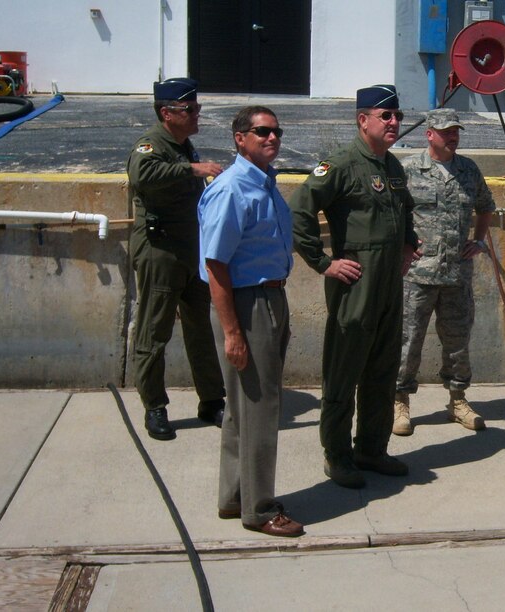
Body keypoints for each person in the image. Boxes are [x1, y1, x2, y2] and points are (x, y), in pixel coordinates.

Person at [290, 85, 422, 490]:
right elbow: (299, 210)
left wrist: (407, 244)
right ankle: (338, 454)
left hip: (389, 285)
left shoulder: (392, 167)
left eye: (397, 115)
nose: (394, 123)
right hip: (357, 282)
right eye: (385, 117)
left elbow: (406, 212)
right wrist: (323, 262)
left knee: (383, 370)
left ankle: (371, 448)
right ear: (362, 120)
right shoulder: (342, 165)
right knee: (344, 370)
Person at [199, 106, 303, 537]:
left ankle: (234, 496)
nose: (272, 137)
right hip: (247, 303)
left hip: (269, 297)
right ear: (239, 138)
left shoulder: (265, 184)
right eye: (261, 131)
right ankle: (259, 509)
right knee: (260, 409)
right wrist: (232, 332)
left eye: (276, 130)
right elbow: (216, 265)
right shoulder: (233, 189)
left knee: (243, 410)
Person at [127, 77, 226, 441]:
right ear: (167, 113)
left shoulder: (185, 146)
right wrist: (193, 170)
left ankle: (212, 400)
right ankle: (155, 406)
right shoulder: (152, 146)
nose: (197, 115)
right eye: (190, 110)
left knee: (201, 329)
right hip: (161, 251)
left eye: (197, 108)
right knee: (155, 332)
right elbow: (142, 175)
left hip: (192, 251)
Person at [393, 108, 495, 435]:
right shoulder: (408, 170)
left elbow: (486, 207)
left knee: (457, 343)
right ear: (429, 134)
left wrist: (478, 241)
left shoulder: (468, 170)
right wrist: (403, 247)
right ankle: (399, 402)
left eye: (455, 131)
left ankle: (457, 400)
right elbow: (392, 214)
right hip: (417, 277)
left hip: (456, 276)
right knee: (408, 342)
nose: (452, 136)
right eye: (445, 131)